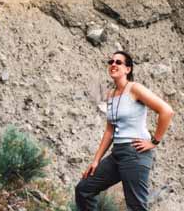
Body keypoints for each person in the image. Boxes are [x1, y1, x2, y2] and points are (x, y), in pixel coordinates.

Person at [75, 51, 174, 211]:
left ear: (128, 69)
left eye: (119, 62)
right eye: (111, 61)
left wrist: (154, 141)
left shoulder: (135, 89)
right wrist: (96, 160)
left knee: (136, 207)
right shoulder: (111, 95)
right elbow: (109, 131)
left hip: (135, 152)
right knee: (83, 189)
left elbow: (166, 111)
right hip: (117, 153)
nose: (113, 64)